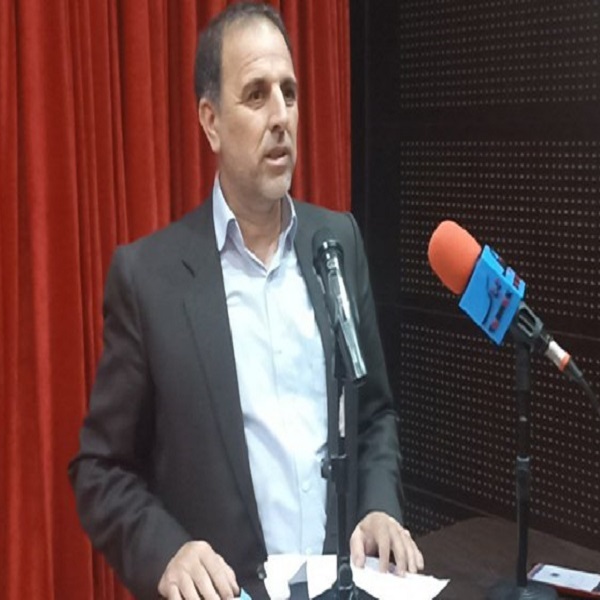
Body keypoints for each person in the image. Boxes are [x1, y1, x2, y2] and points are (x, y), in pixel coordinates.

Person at [68, 3, 423, 599]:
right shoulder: (150, 279)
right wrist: (168, 552)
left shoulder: (337, 242)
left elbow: (374, 416)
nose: (281, 116)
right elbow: (99, 470)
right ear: (210, 122)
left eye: (290, 92)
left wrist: (379, 506)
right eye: (256, 95)